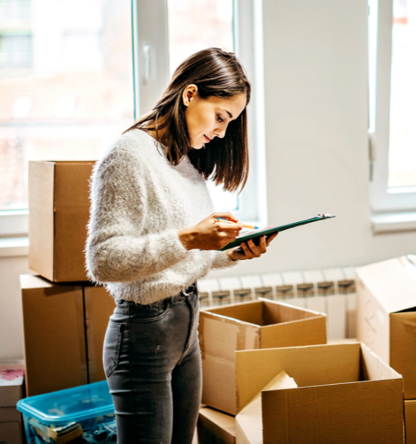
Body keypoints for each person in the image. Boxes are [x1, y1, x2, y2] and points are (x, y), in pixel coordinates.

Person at [85, 47, 276, 444]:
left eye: (231, 122)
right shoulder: (128, 155)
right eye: (220, 117)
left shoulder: (183, 160)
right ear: (190, 95)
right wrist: (190, 237)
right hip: (143, 333)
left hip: (185, 326)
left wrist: (230, 251)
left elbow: (181, 255)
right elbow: (102, 261)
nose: (222, 132)